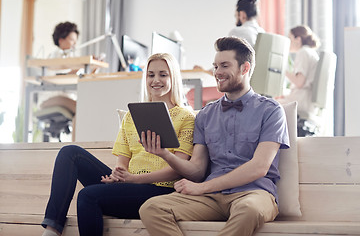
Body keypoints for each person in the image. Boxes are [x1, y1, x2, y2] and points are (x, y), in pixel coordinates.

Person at [139, 36, 290, 236]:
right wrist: (165, 154)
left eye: (224, 66)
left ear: (245, 68)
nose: (217, 72)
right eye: (215, 66)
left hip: (254, 193)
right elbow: (197, 170)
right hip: (211, 197)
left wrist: (202, 188)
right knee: (152, 208)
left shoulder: (271, 111)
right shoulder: (205, 115)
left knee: (248, 210)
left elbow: (259, 167)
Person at [40, 53, 195, 236]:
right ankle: (51, 229)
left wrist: (133, 179)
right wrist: (118, 174)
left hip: (161, 190)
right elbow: (123, 160)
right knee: (70, 153)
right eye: (151, 75)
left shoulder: (186, 117)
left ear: (173, 78)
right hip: (130, 184)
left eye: (163, 74)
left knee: (87, 196)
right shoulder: (131, 116)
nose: (156, 80)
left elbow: (179, 169)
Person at [277, 25, 320, 118]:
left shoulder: (303, 52)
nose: (288, 42)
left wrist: (283, 70)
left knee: (269, 104)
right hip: (307, 101)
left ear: (298, 39)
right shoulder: (310, 52)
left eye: (290, 38)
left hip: (302, 101)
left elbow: (299, 82)